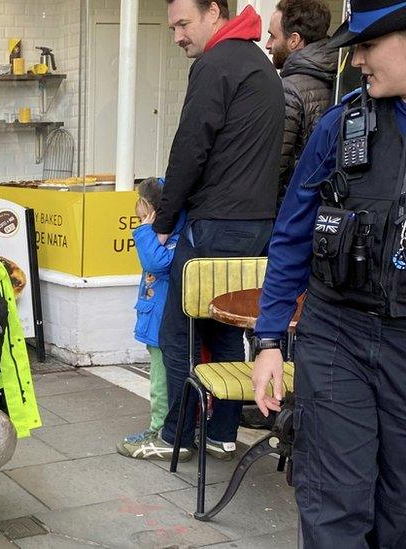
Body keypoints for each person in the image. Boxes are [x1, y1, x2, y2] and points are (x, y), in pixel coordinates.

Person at [252, 1, 406, 544]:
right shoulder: (342, 128)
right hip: (337, 333)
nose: (356, 60)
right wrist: (269, 339)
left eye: (368, 45)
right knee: (333, 509)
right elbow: (292, 234)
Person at [121, 0, 283, 463]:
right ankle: (221, 432)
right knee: (228, 330)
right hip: (256, 227)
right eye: (173, 27)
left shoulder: (216, 63)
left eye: (183, 24)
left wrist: (166, 225)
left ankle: (176, 435)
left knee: (180, 335)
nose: (177, 37)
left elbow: (189, 149)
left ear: (214, 11)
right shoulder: (259, 63)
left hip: (213, 225)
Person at [116, 178, 185, 457]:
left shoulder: (169, 238)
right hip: (156, 320)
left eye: (143, 212)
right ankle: (165, 425)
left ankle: (160, 428)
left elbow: (156, 263)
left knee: (160, 382)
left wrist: (145, 231)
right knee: (162, 378)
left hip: (162, 324)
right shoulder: (167, 236)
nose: (140, 218)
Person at [265, 0, 337, 202]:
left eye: (272, 35)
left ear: (294, 40)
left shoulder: (289, 88)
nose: (268, 44)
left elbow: (275, 167)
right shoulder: (338, 72)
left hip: (294, 205)